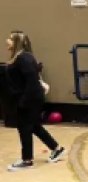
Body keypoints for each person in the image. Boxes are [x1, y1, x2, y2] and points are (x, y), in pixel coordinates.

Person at [5, 31, 65, 171]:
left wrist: (23, 102)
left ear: (17, 42)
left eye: (10, 39)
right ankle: (56, 148)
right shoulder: (20, 57)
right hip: (28, 98)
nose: (7, 41)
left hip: (30, 99)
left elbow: (32, 82)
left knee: (24, 127)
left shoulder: (24, 58)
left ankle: (27, 160)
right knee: (34, 126)